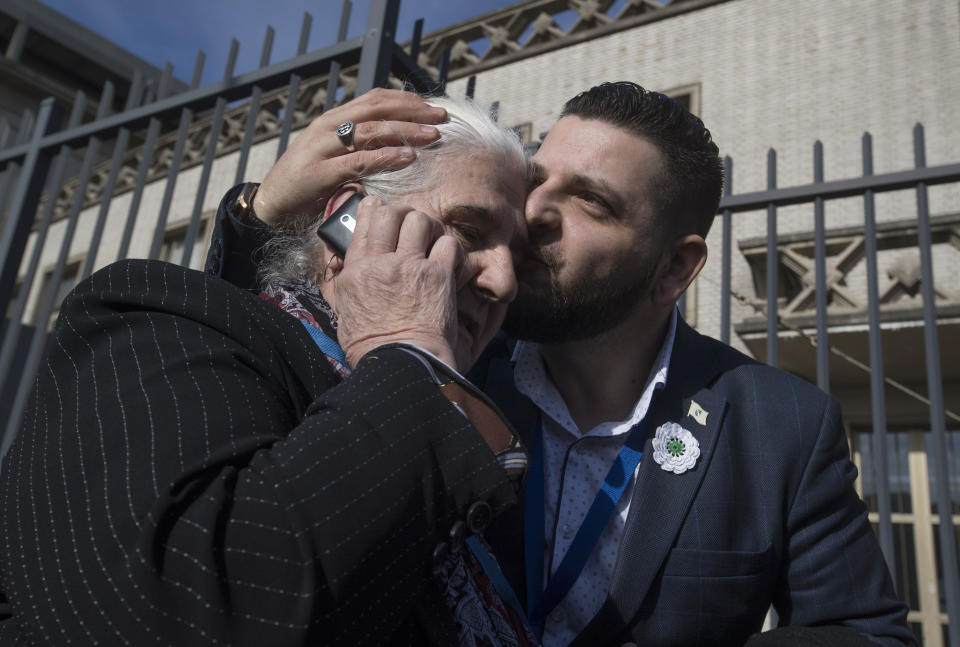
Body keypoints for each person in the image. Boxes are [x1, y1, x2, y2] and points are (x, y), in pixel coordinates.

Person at [205, 84, 915, 647]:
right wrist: (260, 211)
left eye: (592, 202)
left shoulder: (781, 423)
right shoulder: (449, 349)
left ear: (674, 267)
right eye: (539, 178)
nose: (533, 212)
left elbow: (866, 629)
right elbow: (254, 373)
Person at [0, 94, 538, 645]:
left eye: (518, 259)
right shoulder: (143, 315)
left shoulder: (488, 453)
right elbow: (170, 612)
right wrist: (406, 355)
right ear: (350, 224)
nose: (504, 282)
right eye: (469, 231)